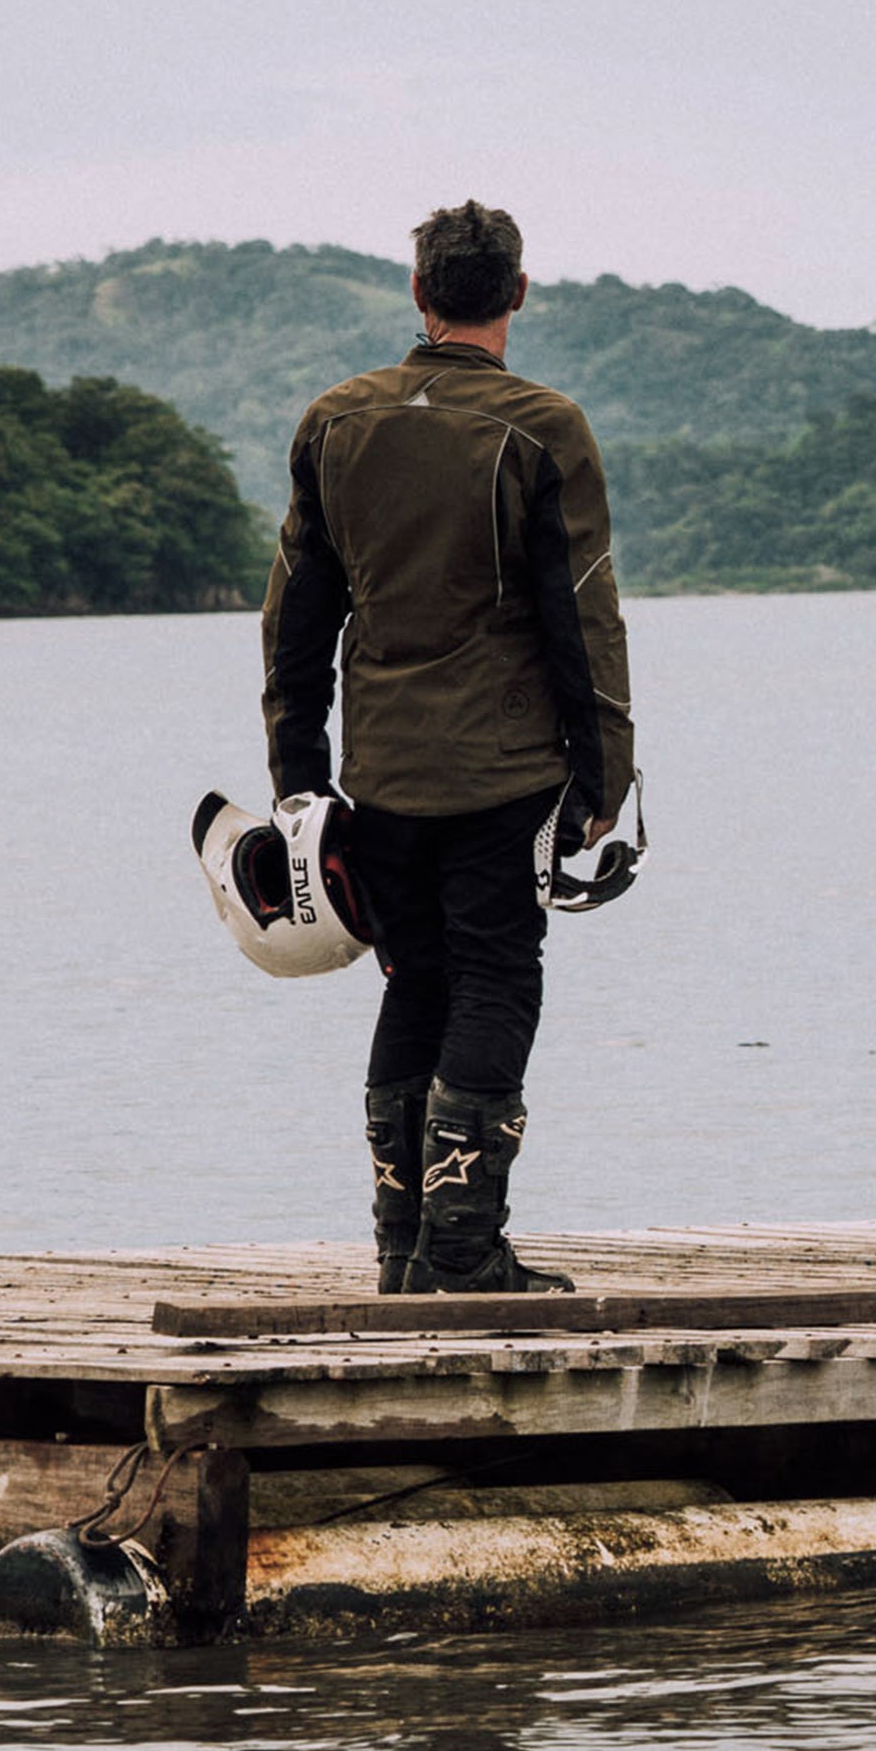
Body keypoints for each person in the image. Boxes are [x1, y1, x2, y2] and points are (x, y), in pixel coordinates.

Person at [260, 201, 636, 1293]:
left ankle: (401, 1248)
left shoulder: (335, 422)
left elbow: (297, 612)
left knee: (413, 982)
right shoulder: (543, 427)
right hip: (503, 772)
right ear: (517, 294)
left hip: (377, 773)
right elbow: (583, 614)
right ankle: (464, 1250)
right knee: (496, 980)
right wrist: (604, 768)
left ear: (419, 292)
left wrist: (297, 776)